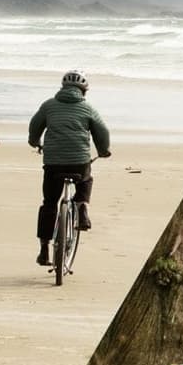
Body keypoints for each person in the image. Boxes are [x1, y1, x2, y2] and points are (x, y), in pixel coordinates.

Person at [28, 69, 110, 266]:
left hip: (53, 163)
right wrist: (104, 150)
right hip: (79, 162)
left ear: (62, 88)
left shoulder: (48, 106)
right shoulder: (88, 108)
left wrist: (35, 142)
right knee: (86, 178)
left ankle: (44, 250)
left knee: (49, 203)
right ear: (84, 91)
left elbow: (34, 126)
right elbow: (102, 131)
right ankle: (81, 204)